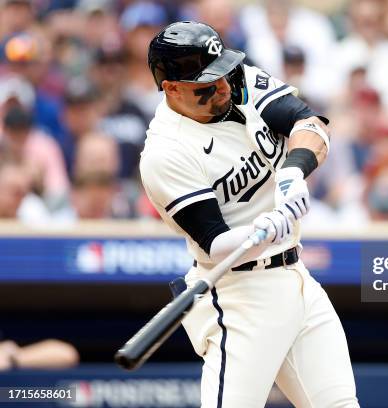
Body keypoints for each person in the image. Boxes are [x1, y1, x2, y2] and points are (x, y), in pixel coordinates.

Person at [141, 21, 359, 407]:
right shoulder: (165, 152)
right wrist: (262, 229)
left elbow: (311, 124)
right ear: (171, 88)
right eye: (207, 83)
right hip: (241, 296)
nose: (224, 87)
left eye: (223, 72)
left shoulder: (240, 81)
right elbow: (216, 243)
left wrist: (294, 169)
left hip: (297, 279)